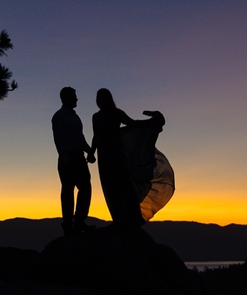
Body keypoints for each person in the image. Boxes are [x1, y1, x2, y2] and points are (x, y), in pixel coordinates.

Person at [91, 88, 174, 227]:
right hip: (105, 155)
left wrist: (151, 123)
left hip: (116, 154)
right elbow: (96, 136)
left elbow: (133, 124)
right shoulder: (97, 116)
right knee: (111, 186)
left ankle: (129, 217)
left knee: (121, 184)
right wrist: (92, 152)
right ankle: (120, 218)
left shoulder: (115, 113)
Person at [51, 87, 95, 235]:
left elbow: (80, 139)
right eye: (74, 96)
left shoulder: (75, 117)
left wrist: (89, 151)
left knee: (85, 188)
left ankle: (79, 221)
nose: (76, 99)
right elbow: (58, 140)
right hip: (68, 158)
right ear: (65, 98)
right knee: (68, 191)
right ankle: (69, 223)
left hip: (78, 157)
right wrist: (66, 159)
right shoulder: (59, 116)